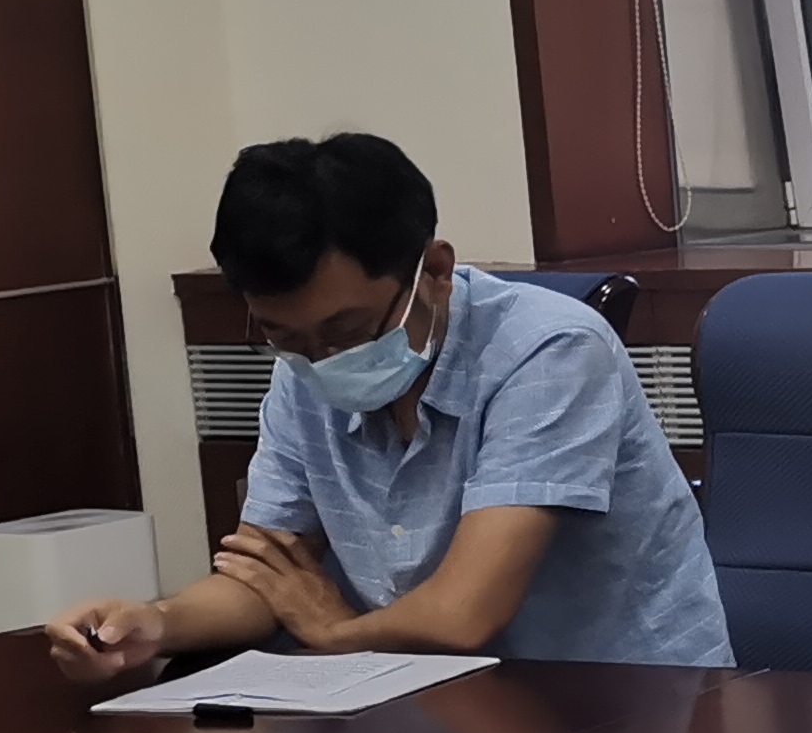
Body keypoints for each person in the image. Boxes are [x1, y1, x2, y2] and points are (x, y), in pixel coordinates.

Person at [50, 133, 734, 678]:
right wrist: (154, 624)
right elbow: (266, 575)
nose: (321, 358)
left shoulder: (549, 351)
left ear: (434, 271)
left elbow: (463, 615)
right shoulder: (301, 374)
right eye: (285, 336)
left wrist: (335, 634)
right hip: (415, 696)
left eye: (347, 330)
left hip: (619, 705)